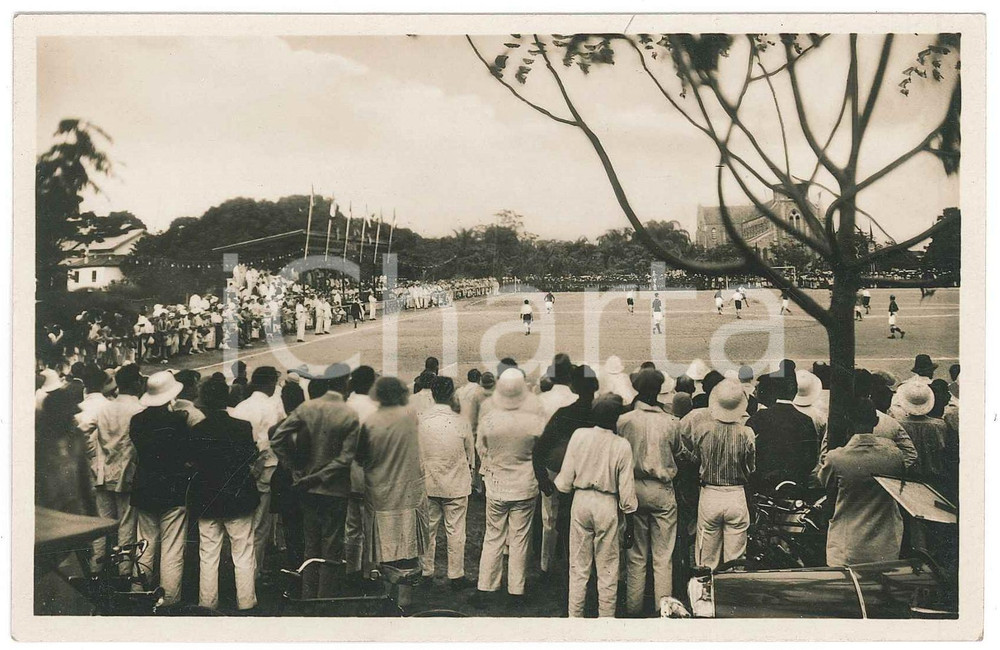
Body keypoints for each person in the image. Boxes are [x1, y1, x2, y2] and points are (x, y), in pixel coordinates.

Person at [271, 364, 359, 599]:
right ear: (345, 382)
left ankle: (308, 595)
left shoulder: (307, 407)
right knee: (331, 547)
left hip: (306, 488)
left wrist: (296, 471)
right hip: (334, 488)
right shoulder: (349, 413)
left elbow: (278, 438)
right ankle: (325, 598)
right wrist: (315, 476)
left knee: (311, 545)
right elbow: (345, 459)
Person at [555, 393, 637, 618]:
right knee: (608, 567)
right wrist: (629, 522)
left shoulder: (579, 435)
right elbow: (627, 491)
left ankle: (575, 616)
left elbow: (564, 481)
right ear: (616, 418)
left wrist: (564, 510)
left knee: (579, 566)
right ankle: (606, 618)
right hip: (606, 503)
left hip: (581, 500)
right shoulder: (621, 445)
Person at [355, 377, 430, 611]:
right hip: (408, 490)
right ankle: (405, 600)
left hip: (381, 492)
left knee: (385, 545)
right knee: (408, 546)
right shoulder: (410, 416)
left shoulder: (371, 422)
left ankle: (387, 595)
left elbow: (361, 458)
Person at [474, 369, 545, 605]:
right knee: (519, 539)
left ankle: (486, 586)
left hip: (497, 484)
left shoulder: (489, 420)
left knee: (493, 536)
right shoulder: (534, 420)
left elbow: (481, 450)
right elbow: (539, 453)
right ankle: (517, 589)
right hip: (524, 484)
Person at [189, 378, 261, 612]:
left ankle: (207, 603)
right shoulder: (242, 427)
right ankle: (246, 602)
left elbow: (193, 461)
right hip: (238, 495)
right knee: (242, 551)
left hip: (207, 496)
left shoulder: (198, 430)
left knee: (208, 553)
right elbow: (250, 456)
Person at [617, 369, 685, 617]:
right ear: (658, 391)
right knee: (663, 554)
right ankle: (662, 607)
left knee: (635, 554)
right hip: (661, 488)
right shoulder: (670, 422)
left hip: (633, 488)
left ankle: (633, 608)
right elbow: (678, 452)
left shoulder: (624, 421)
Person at [129, 370, 192, 606]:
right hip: (172, 487)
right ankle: (170, 598)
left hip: (145, 485)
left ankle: (138, 589)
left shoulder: (137, 421)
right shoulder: (178, 421)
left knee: (144, 542)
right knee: (172, 547)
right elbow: (185, 452)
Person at [818, 399, 904, 567]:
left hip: (847, 542)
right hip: (886, 542)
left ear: (848, 421)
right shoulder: (895, 456)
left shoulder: (836, 458)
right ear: (876, 421)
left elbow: (825, 483)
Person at [534, 364, 600, 583]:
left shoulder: (565, 414)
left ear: (573, 387)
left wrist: (542, 477)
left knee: (552, 520)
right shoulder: (602, 413)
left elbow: (541, 447)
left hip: (561, 472)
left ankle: (547, 565)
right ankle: (587, 570)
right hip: (591, 477)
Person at [683, 378, 756, 570]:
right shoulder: (746, 433)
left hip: (710, 494)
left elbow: (695, 459)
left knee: (706, 560)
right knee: (736, 559)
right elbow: (751, 468)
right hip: (736, 494)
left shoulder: (703, 430)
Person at [417, 376, 475, 589]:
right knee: (456, 531)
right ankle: (456, 575)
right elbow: (470, 453)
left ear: (432, 393)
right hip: (456, 483)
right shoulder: (460, 421)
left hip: (429, 483)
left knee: (428, 531)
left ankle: (425, 572)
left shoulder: (422, 420)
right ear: (451, 394)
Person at [230, 366, 286, 580]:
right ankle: (253, 572)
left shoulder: (242, 406)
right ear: (269, 383)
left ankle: (246, 569)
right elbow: (266, 443)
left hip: (242, 468)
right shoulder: (270, 407)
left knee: (244, 522)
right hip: (265, 468)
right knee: (260, 524)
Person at [90, 364, 144, 571]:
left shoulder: (105, 408)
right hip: (126, 471)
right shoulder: (138, 409)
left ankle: (95, 567)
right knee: (127, 524)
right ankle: (125, 570)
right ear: (136, 383)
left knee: (102, 524)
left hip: (103, 470)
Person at [746, 372, 818, 492]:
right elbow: (811, 458)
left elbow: (747, 450)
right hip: (795, 483)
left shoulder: (760, 417)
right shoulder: (806, 420)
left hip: (764, 484)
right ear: (795, 393)